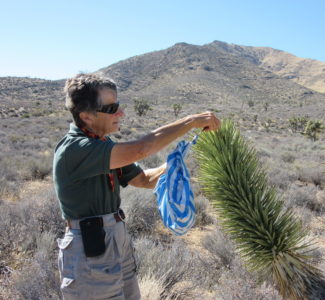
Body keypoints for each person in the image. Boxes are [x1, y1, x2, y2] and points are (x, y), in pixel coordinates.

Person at [53, 73, 220, 300]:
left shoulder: (102, 144)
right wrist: (191, 122)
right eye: (111, 109)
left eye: (118, 105)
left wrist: (175, 164)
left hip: (115, 239)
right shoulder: (76, 149)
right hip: (90, 248)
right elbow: (141, 149)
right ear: (86, 116)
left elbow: (143, 179)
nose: (121, 113)